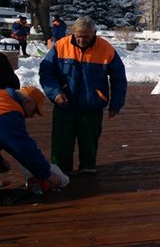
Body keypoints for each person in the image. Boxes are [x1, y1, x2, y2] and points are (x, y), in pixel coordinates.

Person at [39, 16, 127, 175]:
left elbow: (118, 78)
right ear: (73, 32)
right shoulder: (61, 46)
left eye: (86, 36)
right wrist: (56, 94)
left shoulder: (106, 49)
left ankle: (87, 168)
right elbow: (46, 72)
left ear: (94, 33)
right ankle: (60, 172)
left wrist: (116, 104)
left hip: (92, 106)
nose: (81, 39)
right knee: (61, 143)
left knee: (89, 144)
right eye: (78, 35)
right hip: (64, 105)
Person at [0, 86, 69, 218]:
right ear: (28, 102)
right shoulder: (8, 109)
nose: (31, 116)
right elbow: (22, 149)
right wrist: (47, 173)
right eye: (34, 111)